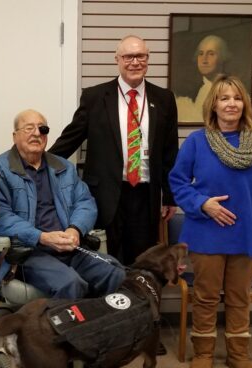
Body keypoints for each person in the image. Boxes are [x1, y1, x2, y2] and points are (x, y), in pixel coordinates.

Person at [169, 75, 252, 368]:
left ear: (244, 103)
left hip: (247, 236)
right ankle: (204, 353)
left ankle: (238, 355)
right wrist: (203, 203)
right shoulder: (196, 141)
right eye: (223, 98)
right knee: (205, 297)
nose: (230, 103)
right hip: (206, 233)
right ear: (213, 105)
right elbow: (177, 182)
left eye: (236, 97)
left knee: (239, 297)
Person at [50, 35, 178, 273]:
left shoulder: (164, 99)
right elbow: (69, 141)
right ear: (117, 59)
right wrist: (35, 163)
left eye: (141, 56)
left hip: (146, 195)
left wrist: (170, 196)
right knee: (105, 265)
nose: (135, 62)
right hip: (104, 196)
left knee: (141, 264)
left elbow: (170, 152)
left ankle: (137, 309)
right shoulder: (95, 97)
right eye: (128, 56)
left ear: (148, 59)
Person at [0, 109, 126, 300]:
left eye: (42, 128)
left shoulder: (63, 167)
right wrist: (41, 237)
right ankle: (66, 330)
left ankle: (102, 329)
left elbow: (85, 202)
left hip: (69, 248)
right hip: (27, 253)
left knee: (116, 273)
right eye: (29, 128)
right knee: (71, 284)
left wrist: (74, 229)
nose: (37, 133)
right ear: (15, 136)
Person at [175, 35, 230, 123]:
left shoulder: (231, 89)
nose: (204, 60)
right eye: (201, 54)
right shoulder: (194, 91)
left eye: (211, 54)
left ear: (222, 58)